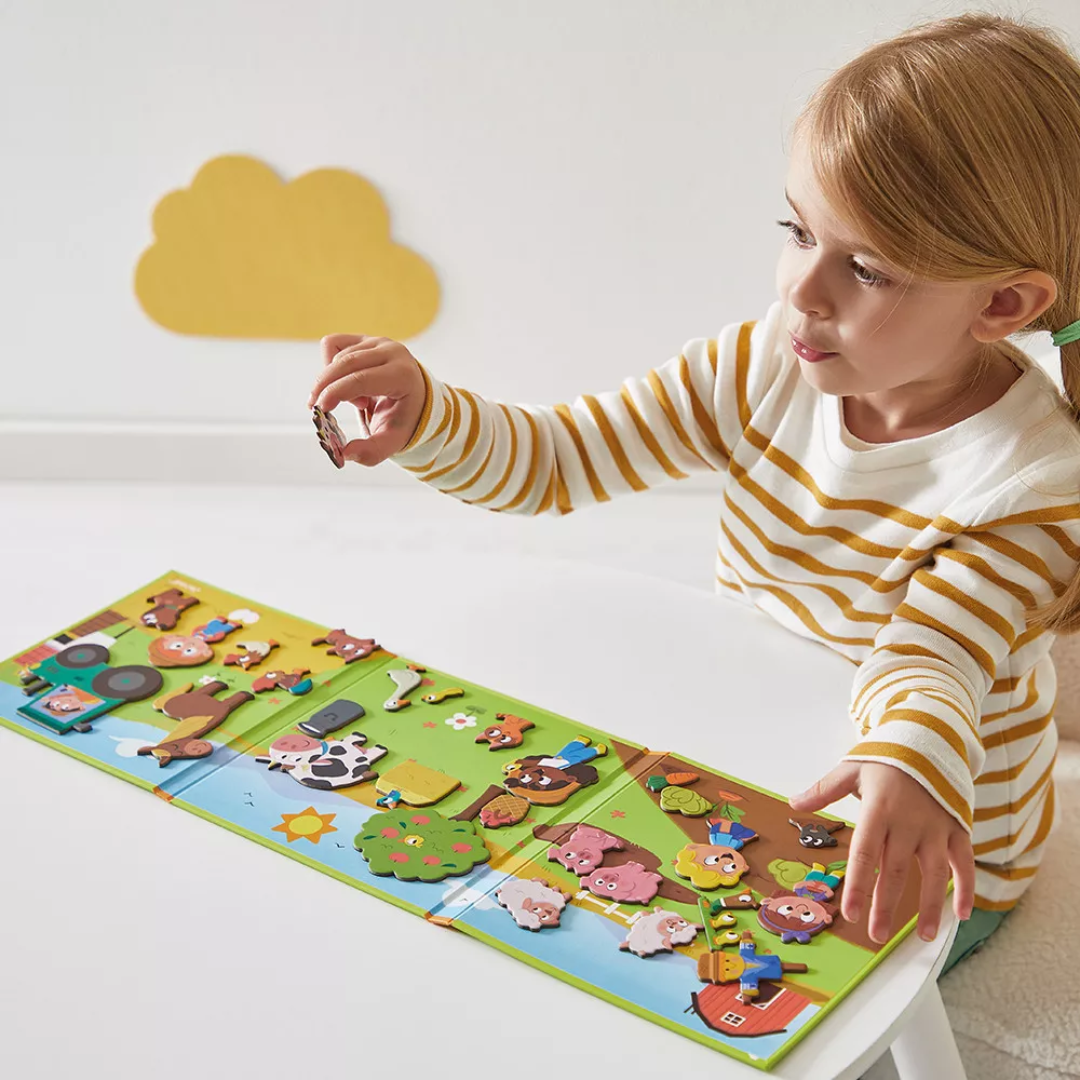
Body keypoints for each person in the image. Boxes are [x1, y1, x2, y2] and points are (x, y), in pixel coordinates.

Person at [308, 13, 1080, 976]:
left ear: (1002, 304)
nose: (802, 291)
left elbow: (932, 657)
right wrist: (432, 415)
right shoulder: (764, 362)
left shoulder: (1034, 483)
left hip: (923, 832)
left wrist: (906, 757)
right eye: (799, 231)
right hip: (763, 747)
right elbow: (560, 460)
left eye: (866, 269)